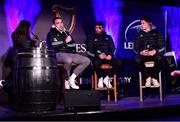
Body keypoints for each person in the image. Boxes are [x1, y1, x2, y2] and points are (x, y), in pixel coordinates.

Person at [48, 17, 90, 89]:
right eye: (58, 23)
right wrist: (65, 42)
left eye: (61, 22)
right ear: (54, 25)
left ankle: (72, 78)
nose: (60, 24)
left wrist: (64, 44)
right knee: (68, 59)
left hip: (70, 53)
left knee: (87, 60)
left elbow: (73, 45)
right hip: (59, 54)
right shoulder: (52, 33)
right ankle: (66, 79)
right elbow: (54, 45)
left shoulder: (66, 33)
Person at [134, 16, 165, 87]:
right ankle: (148, 78)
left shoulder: (156, 33)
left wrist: (155, 51)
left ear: (149, 23)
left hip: (154, 54)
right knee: (137, 60)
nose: (141, 25)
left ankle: (154, 78)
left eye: (143, 23)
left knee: (160, 58)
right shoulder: (139, 34)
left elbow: (162, 46)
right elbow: (135, 47)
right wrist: (141, 52)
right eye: (141, 23)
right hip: (143, 55)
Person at [86, 21, 118, 88]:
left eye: (99, 28)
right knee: (96, 63)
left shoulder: (108, 37)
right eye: (96, 28)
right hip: (98, 57)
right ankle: (100, 78)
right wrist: (98, 55)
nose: (97, 29)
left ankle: (107, 78)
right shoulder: (91, 38)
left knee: (118, 63)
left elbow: (113, 48)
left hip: (107, 57)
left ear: (102, 28)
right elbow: (89, 52)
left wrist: (110, 55)